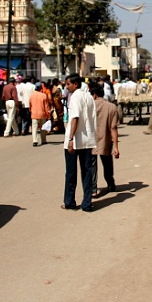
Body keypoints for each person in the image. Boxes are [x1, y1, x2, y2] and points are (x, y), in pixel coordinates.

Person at [63, 74, 97, 212]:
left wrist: (71, 139)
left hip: (76, 140)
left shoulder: (76, 96)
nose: (66, 86)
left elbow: (75, 118)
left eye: (68, 84)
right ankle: (87, 203)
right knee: (87, 172)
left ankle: (70, 202)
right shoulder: (88, 96)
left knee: (71, 173)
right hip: (87, 140)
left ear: (75, 84)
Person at [90, 85, 120, 198]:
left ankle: (93, 189)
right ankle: (111, 184)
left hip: (90, 140)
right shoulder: (112, 107)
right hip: (105, 139)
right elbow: (113, 128)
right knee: (107, 163)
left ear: (94, 95)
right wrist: (116, 147)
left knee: (92, 165)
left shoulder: (89, 106)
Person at [29, 81, 51, 146]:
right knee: (43, 127)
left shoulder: (31, 96)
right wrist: (48, 114)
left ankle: (35, 141)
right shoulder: (44, 95)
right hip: (42, 113)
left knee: (34, 127)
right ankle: (43, 140)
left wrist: (30, 110)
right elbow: (46, 106)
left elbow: (30, 105)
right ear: (40, 88)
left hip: (34, 113)